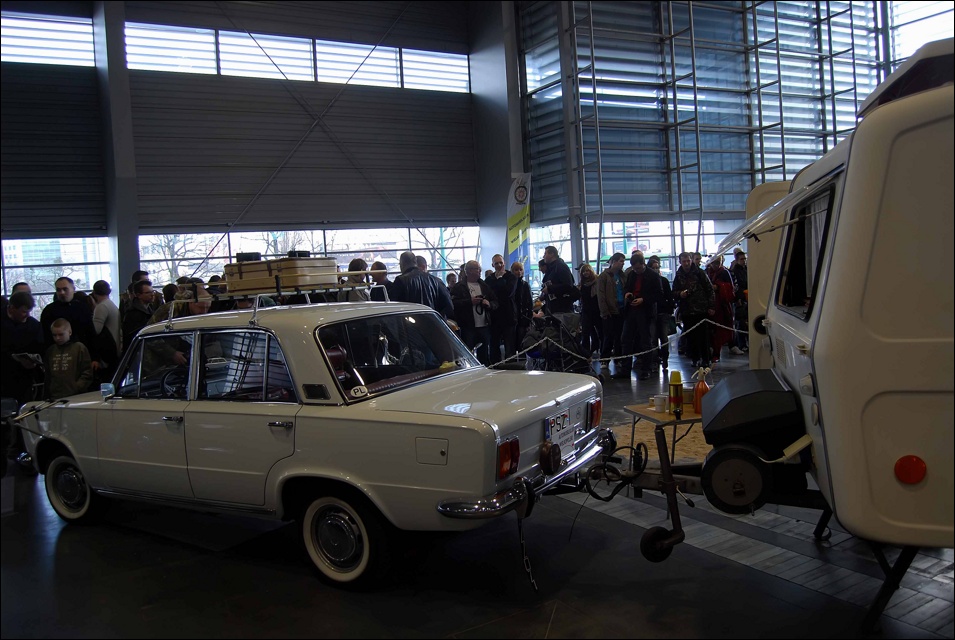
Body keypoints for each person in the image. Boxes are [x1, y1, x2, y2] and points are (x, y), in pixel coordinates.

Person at [620, 251, 663, 379]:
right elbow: (627, 288)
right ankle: (625, 369)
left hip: (645, 312)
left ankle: (646, 369)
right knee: (626, 339)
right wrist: (627, 293)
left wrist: (643, 299)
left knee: (646, 341)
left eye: (638, 268)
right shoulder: (632, 274)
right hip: (631, 311)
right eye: (634, 268)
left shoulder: (653, 276)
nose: (636, 270)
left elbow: (659, 294)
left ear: (643, 264)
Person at [450, 261, 498, 366]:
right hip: (468, 326)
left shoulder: (484, 286)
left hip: (484, 325)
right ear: (469, 271)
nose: (480, 271)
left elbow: (495, 302)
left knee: (484, 355)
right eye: (477, 269)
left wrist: (489, 304)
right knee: (467, 354)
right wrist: (469, 302)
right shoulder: (459, 287)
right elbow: (453, 304)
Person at [1, 291, 44, 407]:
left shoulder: (33, 325)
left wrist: (33, 361)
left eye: (29, 311)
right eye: (24, 312)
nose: (27, 315)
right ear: (12, 308)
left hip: (24, 377)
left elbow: (39, 347)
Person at [673, 251, 715, 368]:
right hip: (687, 310)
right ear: (680, 262)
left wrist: (711, 306)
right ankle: (695, 358)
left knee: (703, 336)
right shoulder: (679, 275)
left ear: (691, 260)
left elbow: (709, 289)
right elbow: (674, 292)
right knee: (691, 337)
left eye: (688, 261)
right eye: (684, 261)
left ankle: (706, 359)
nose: (686, 263)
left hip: (701, 309)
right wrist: (680, 294)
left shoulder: (699, 273)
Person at [40, 276, 94, 351]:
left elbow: (90, 334)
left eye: (65, 289)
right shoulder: (48, 311)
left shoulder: (82, 308)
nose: (62, 292)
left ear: (73, 289)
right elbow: (45, 335)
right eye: (58, 290)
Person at [45, 318, 93, 399]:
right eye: (54, 335)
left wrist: (77, 387)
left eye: (61, 334)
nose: (57, 338)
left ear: (69, 332)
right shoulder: (51, 350)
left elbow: (87, 372)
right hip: (55, 396)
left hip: (76, 396)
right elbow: (48, 375)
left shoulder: (79, 348)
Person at [596, 253, 627, 377]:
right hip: (609, 311)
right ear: (613, 261)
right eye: (620, 261)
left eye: (623, 261)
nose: (622, 263)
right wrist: (604, 311)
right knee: (608, 336)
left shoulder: (623, 276)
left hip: (621, 309)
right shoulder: (604, 276)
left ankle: (618, 358)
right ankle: (605, 359)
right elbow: (601, 295)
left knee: (620, 336)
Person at [485, 254, 518, 360]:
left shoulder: (511, 277)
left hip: (508, 316)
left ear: (504, 263)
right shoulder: (489, 279)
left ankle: (511, 367)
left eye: (501, 263)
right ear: (492, 265)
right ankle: (495, 366)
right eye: (496, 263)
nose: (499, 265)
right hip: (494, 317)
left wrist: (500, 279)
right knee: (494, 345)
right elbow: (490, 295)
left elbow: (508, 293)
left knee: (509, 346)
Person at [706, 255, 735, 364]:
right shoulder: (707, 273)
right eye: (714, 263)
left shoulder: (724, 272)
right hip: (710, 306)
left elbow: (730, 288)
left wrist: (719, 287)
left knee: (720, 332)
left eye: (718, 262)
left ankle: (716, 353)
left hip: (722, 307)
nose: (716, 265)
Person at [647, 255, 675, 368]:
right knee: (653, 339)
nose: (656, 270)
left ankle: (665, 358)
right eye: (653, 268)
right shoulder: (647, 282)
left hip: (663, 313)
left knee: (664, 338)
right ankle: (655, 360)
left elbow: (669, 296)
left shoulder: (664, 281)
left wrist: (669, 309)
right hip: (651, 314)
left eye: (657, 268)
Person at [90, 280, 121, 381]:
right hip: (114, 349)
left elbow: (96, 330)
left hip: (106, 354)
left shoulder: (101, 307)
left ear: (94, 292)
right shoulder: (111, 304)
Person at [122, 280, 158, 353]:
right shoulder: (133, 313)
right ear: (138, 295)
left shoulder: (149, 308)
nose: (152, 295)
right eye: (148, 292)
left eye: (152, 291)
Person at [540, 245, 577, 313]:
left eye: (545, 254)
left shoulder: (560, 266)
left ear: (552, 254)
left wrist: (549, 289)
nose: (543, 256)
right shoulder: (552, 268)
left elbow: (568, 285)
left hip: (562, 308)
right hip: (555, 307)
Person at [577, 263, 601, 356]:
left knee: (600, 331)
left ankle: (600, 349)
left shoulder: (597, 281)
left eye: (587, 271)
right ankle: (586, 353)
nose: (585, 273)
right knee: (585, 332)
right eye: (583, 271)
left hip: (597, 310)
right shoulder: (581, 284)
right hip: (586, 310)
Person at [511, 261, 533, 355]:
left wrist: (529, 318)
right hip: (512, 318)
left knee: (522, 342)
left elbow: (530, 303)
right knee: (511, 343)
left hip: (523, 317)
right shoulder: (510, 284)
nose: (519, 272)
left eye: (520, 270)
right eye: (516, 270)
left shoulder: (525, 285)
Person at [730, 251, 748, 352]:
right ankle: (741, 344)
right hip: (740, 299)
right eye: (742, 259)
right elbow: (736, 287)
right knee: (740, 322)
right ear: (737, 260)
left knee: (745, 322)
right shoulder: (734, 272)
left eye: (744, 259)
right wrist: (738, 298)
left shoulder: (746, 269)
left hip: (746, 297)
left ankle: (745, 343)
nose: (744, 261)